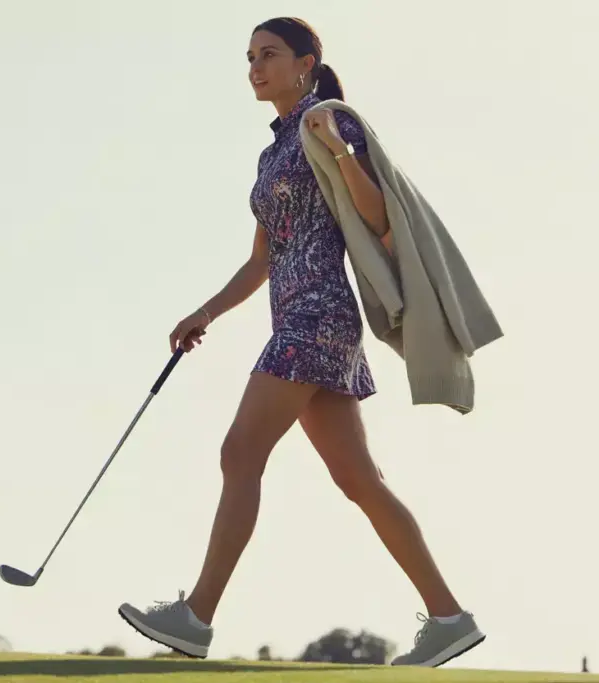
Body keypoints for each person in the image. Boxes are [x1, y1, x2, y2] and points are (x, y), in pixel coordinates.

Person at [118, 17, 486, 668]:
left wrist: (342, 153)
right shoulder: (272, 152)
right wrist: (205, 310)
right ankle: (450, 617)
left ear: (306, 63)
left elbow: (377, 218)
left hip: (317, 315)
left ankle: (196, 615)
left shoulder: (328, 122)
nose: (256, 67)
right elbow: (262, 259)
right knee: (360, 480)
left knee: (240, 451)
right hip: (295, 316)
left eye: (270, 55)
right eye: (250, 57)